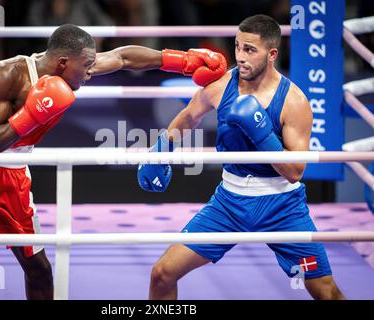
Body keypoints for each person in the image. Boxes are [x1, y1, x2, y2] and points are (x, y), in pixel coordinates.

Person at [0, 24, 227, 300]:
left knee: (39, 270)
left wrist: (182, 60)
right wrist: (31, 113)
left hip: (14, 172)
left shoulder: (75, 66)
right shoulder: (7, 73)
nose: (91, 72)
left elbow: (122, 57)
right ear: (62, 63)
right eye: (86, 67)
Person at [139, 15, 345, 300]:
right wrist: (162, 149)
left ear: (272, 54)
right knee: (162, 273)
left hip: (282, 206)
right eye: (237, 47)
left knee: (325, 292)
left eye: (250, 50)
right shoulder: (221, 86)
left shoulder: (294, 102)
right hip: (228, 203)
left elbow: (295, 171)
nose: (240, 57)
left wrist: (261, 132)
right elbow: (188, 117)